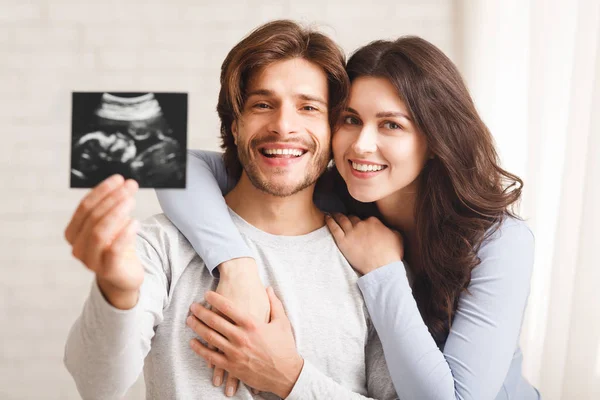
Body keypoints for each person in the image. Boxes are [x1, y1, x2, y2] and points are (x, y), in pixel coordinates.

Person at [157, 35, 541, 399]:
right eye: (351, 120)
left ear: (437, 140)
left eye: (391, 124)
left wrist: (383, 271)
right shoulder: (333, 195)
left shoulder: (501, 242)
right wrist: (236, 267)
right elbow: (169, 160)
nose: (361, 145)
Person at [63, 20, 398, 400]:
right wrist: (117, 291)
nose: (283, 126)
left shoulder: (366, 257)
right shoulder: (158, 245)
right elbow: (95, 385)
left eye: (308, 107)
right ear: (235, 125)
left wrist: (291, 378)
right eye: (262, 105)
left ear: (333, 128)